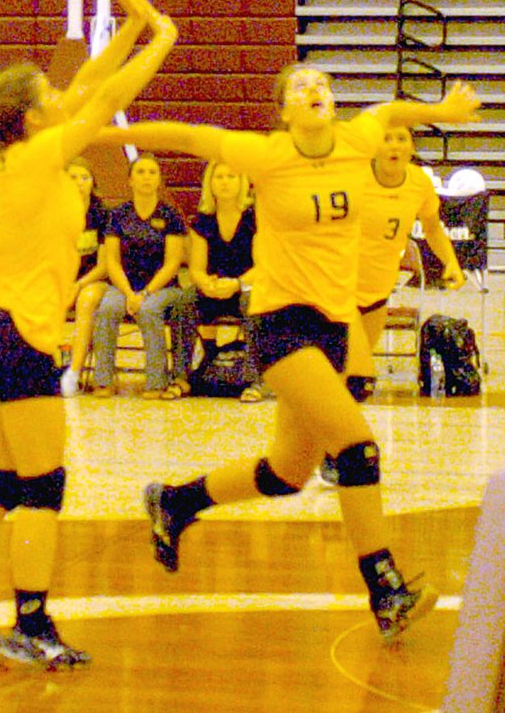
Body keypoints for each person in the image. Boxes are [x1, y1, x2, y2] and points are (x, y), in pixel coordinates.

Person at [97, 68, 479, 639]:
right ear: (283, 110)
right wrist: (86, 133)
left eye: (320, 82)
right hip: (280, 322)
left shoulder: (356, 140)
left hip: (332, 322)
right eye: (299, 87)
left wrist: (443, 113)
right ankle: (386, 589)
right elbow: (181, 134)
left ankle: (173, 502)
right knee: (358, 449)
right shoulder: (267, 154)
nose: (313, 89)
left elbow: (393, 111)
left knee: (285, 473)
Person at [0, 0, 176, 667]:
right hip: (20, 334)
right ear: (32, 116)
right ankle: (31, 624)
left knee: (5, 482)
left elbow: (90, 85)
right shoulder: (38, 156)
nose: (64, 97)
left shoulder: (15, 158)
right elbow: (110, 96)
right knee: (42, 487)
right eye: (49, 95)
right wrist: (161, 37)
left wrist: (127, 25)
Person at [319, 125, 466, 483]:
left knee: (345, 382)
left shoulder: (417, 183)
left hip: (376, 293)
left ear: (411, 146)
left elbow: (431, 225)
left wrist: (450, 261)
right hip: (338, 289)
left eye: (402, 138)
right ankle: (340, 452)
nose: (394, 145)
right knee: (359, 378)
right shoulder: (352, 177)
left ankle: (323, 447)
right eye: (387, 137)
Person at [89, 153, 187, 398]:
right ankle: (102, 379)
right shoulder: (118, 214)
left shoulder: (170, 215)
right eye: (140, 172)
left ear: (159, 180)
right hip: (124, 286)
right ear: (130, 180)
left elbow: (172, 262)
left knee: (148, 309)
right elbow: (112, 260)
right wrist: (129, 293)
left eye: (152, 172)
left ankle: (156, 381)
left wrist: (144, 293)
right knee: (108, 308)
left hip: (162, 288)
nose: (146, 178)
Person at [169, 160, 267, 402]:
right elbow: (196, 269)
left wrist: (235, 284)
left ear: (242, 183)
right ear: (210, 184)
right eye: (219, 177)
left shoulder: (256, 218)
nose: (225, 182)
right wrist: (206, 284)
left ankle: (255, 380)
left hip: (245, 287)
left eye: (231, 177)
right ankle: (181, 376)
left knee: (253, 302)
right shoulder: (202, 221)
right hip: (213, 289)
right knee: (184, 301)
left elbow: (263, 266)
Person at [60, 157, 110, 397]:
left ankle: (74, 372)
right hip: (62, 278)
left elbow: (104, 265)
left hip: (94, 279)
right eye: (73, 178)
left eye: (84, 178)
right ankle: (44, 366)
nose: (79, 183)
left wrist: (78, 284)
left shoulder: (102, 214)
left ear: (92, 182)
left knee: (86, 301)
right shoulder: (53, 213)